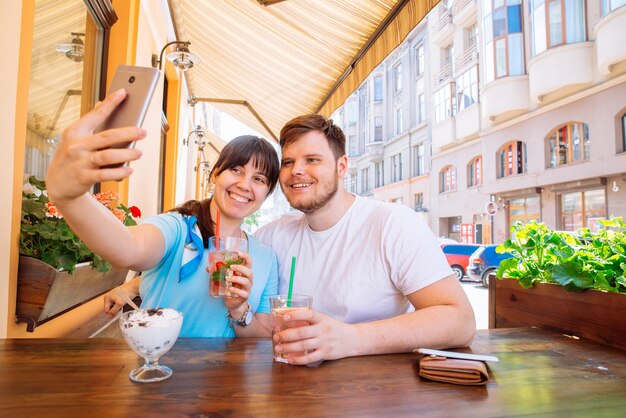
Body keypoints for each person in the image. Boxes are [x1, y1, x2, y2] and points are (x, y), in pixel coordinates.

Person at [45, 89, 279, 337]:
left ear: (267, 191)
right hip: (161, 370)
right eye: (236, 170)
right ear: (215, 174)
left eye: (259, 179)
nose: (245, 185)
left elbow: (262, 337)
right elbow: (129, 247)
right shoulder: (179, 228)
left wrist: (239, 308)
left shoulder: (265, 257)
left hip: (226, 375)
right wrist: (71, 199)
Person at [254, 114, 476, 365]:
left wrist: (348, 338)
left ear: (341, 166)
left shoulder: (393, 223)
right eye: (288, 162)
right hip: (292, 389)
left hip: (378, 395)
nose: (296, 170)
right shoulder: (273, 235)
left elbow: (460, 321)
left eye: (312, 160)